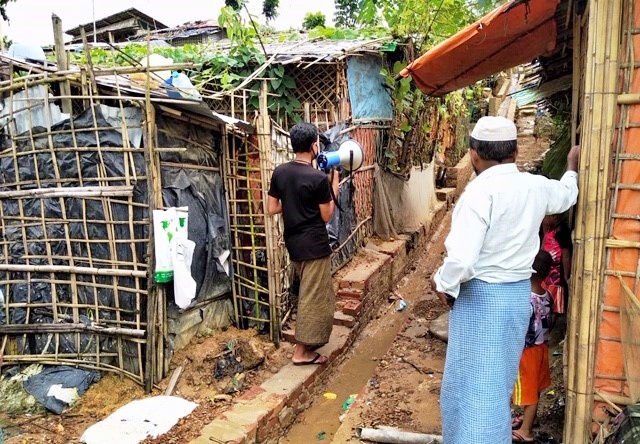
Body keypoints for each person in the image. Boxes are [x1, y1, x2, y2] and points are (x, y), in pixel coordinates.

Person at [432, 116, 580, 444]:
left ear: (473, 154)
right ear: (514, 152)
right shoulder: (535, 185)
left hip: (481, 301)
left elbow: (462, 259)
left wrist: (442, 282)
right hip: (515, 299)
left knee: (472, 387)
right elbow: (567, 195)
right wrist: (571, 164)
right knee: (496, 384)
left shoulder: (478, 194)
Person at [267, 122, 340, 366]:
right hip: (315, 246)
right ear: (313, 145)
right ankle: (301, 352)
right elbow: (327, 215)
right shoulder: (318, 178)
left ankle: (310, 343)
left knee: (309, 293)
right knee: (313, 297)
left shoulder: (280, 172)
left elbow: (272, 208)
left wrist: (293, 204)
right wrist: (334, 182)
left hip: (294, 243)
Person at [512, 249, 554, 443]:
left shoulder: (526, 300)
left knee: (526, 391)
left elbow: (521, 327)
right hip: (542, 348)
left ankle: (526, 430)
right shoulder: (547, 296)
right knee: (534, 388)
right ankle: (526, 423)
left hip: (527, 351)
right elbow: (551, 321)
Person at [540, 213, 573, 314]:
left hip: (556, 276)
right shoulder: (549, 229)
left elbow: (566, 255)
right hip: (547, 274)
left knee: (554, 304)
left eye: (545, 217)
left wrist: (566, 276)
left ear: (553, 217)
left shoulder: (561, 231)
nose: (543, 220)